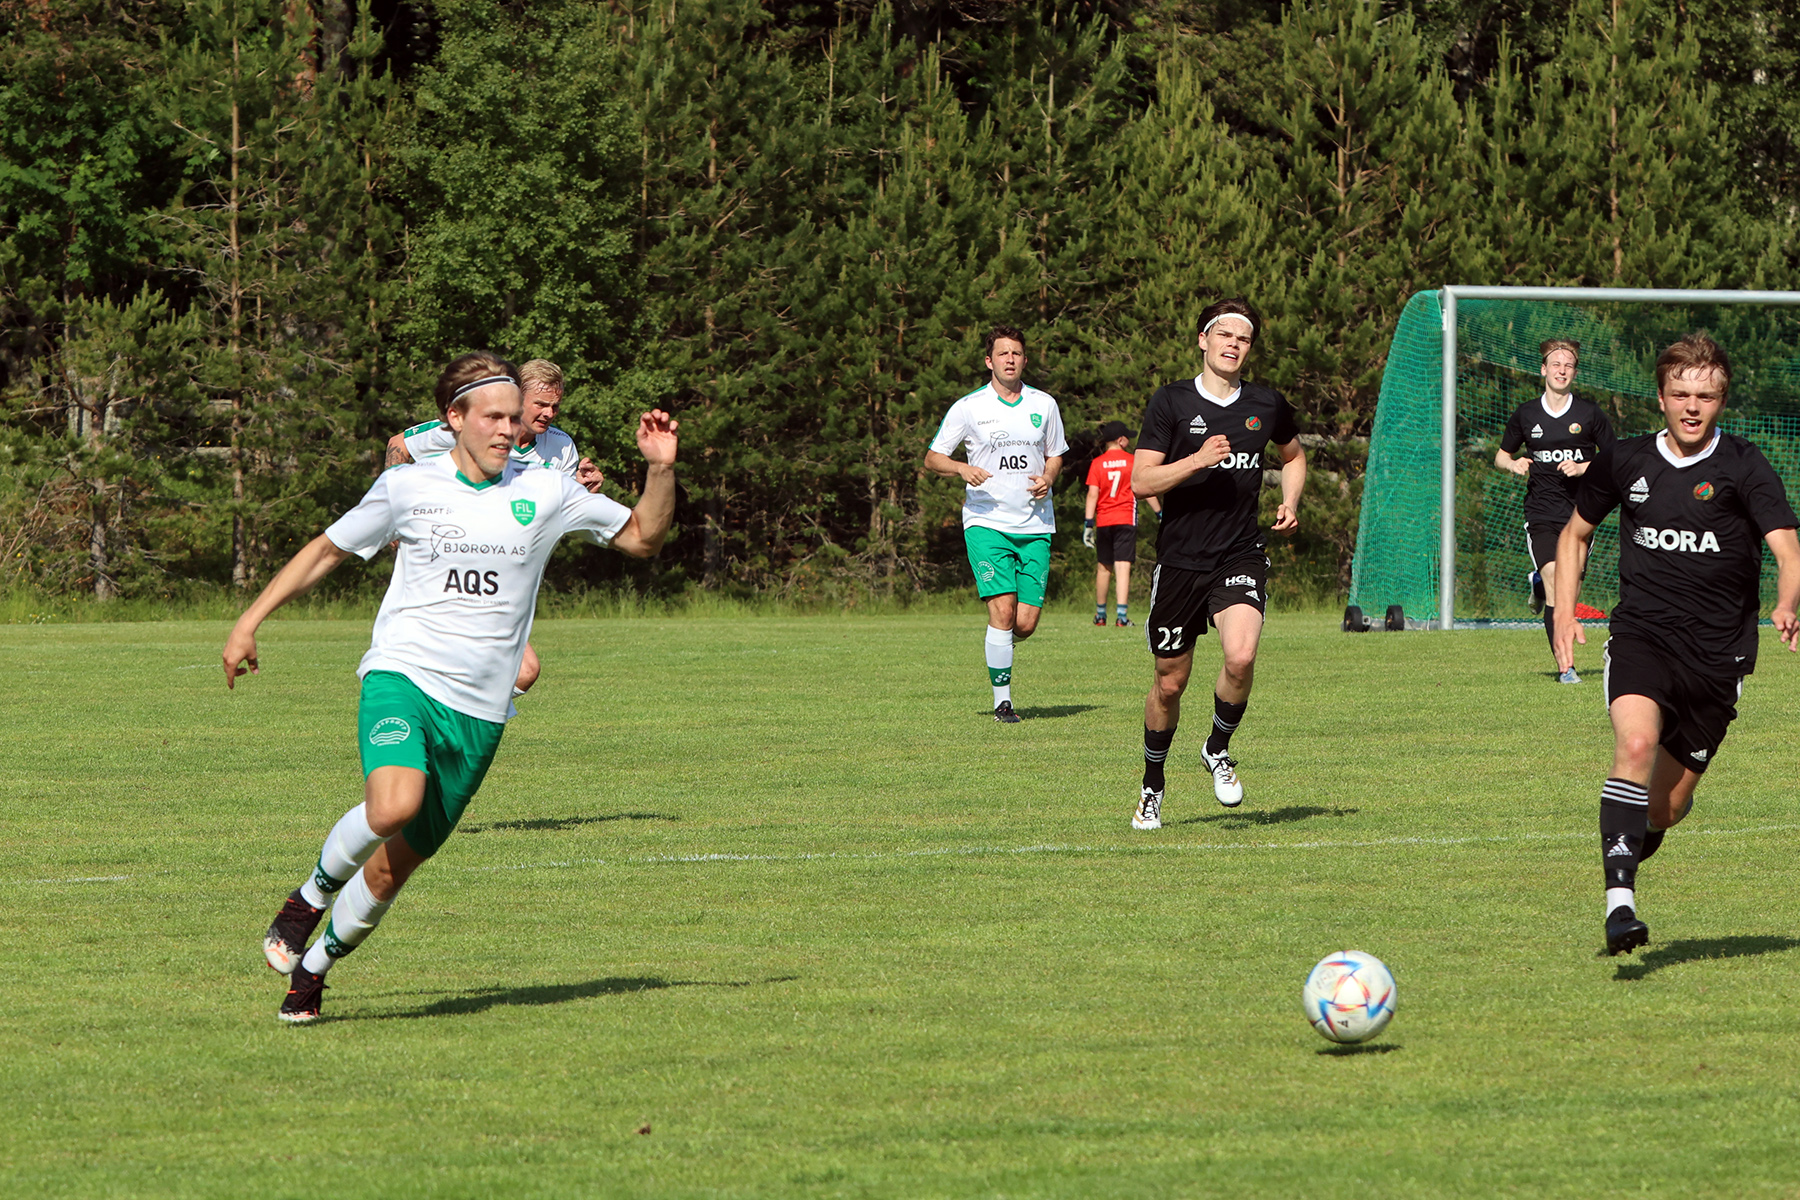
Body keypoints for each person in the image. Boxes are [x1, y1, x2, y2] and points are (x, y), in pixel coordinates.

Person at [228, 352, 678, 1021]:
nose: (508, 429)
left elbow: (643, 537)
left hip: (481, 711)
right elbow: (326, 549)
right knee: (392, 805)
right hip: (402, 674)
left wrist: (660, 469)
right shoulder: (409, 487)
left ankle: (316, 968)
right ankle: (306, 902)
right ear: (454, 419)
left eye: (514, 417)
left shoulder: (547, 489)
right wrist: (249, 621)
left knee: (392, 869)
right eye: (493, 417)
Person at [1553, 334, 1799, 956]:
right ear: (1661, 397)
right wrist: (1563, 610)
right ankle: (1620, 906)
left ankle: (1643, 833)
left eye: (1706, 396)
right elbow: (1575, 535)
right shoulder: (1626, 459)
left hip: (1718, 657)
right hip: (1642, 635)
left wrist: (1788, 600)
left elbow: (1787, 548)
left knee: (1663, 808)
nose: (1692, 407)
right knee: (1633, 743)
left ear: (1721, 401)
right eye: (1681, 394)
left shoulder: (1744, 465)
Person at [1129, 298, 1305, 829]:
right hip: (1180, 561)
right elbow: (1141, 482)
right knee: (1169, 683)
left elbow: (1293, 456)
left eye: (1243, 339)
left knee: (1241, 656)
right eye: (1223, 335)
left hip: (1240, 553)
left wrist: (1290, 502)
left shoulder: (1267, 404)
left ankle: (1217, 747)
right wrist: (1197, 460)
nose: (1233, 345)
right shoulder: (1171, 402)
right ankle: (1152, 785)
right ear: (1203, 341)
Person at [386, 359, 604, 698]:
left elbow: (554, 511)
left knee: (520, 672)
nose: (549, 413)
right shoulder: (473, 425)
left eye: (555, 406)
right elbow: (399, 444)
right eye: (541, 404)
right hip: (443, 566)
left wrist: (582, 488)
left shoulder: (561, 448)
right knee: (515, 668)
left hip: (497, 578)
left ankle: (451, 724)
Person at [924, 325, 1068, 723]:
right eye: (1002, 354)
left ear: (1024, 360)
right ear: (989, 361)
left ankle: (1002, 644)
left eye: (1016, 353)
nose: (1010, 359)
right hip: (986, 522)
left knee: (1024, 624)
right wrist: (960, 468)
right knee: (1002, 612)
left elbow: (1055, 454)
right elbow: (933, 457)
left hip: (1036, 525)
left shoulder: (1045, 404)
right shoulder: (969, 407)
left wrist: (1049, 477)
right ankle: (1002, 703)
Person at [1495, 339, 1614, 682]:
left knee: (1569, 592)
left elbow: (1614, 460)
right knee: (1554, 582)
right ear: (1544, 369)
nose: (1562, 370)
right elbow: (1501, 455)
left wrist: (1583, 467)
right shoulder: (1527, 414)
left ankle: (1539, 587)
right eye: (1556, 364)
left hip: (1581, 514)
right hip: (1541, 512)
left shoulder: (1590, 415)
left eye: (1569, 365)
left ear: (1574, 373)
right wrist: (1513, 464)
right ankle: (1567, 667)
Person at [1083, 420, 1161, 627]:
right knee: (1122, 566)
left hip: (1104, 521)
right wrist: (1160, 512)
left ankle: (1100, 615)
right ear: (1121, 440)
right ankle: (1122, 616)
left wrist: (1088, 523)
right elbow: (1144, 489)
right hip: (1125, 518)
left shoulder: (1097, 463)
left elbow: (1092, 495)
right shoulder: (1132, 461)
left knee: (1103, 567)